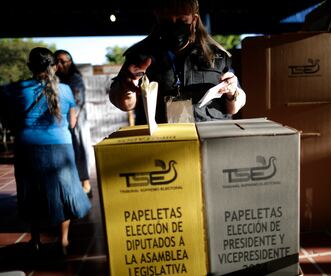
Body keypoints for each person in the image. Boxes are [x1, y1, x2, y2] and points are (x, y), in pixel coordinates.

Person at [0, 47, 91, 255]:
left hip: (27, 147)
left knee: (31, 192)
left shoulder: (16, 89)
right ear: (53, 67)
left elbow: (8, 116)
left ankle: (36, 241)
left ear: (30, 67)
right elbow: (72, 122)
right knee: (64, 192)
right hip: (61, 146)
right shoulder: (66, 90)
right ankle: (64, 242)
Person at [109, 0, 246, 124]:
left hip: (209, 138)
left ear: (194, 19)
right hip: (162, 140)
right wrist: (127, 89)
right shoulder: (139, 56)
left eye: (182, 20)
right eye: (167, 21)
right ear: (158, 19)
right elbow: (122, 103)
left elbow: (234, 107)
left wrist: (232, 92)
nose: (174, 26)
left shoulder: (217, 55)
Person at [54, 49, 92, 198]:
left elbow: (77, 101)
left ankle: (86, 183)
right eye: (56, 61)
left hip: (77, 122)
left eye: (63, 61)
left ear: (70, 62)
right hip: (61, 124)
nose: (59, 64)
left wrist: (67, 118)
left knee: (81, 150)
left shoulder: (75, 78)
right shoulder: (53, 80)